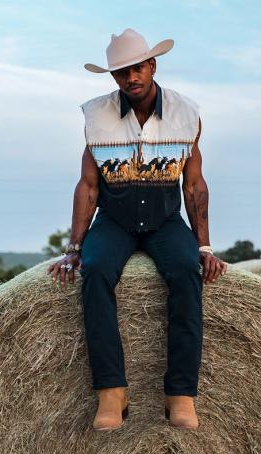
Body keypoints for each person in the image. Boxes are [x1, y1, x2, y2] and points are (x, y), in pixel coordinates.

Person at [47, 28, 227, 431]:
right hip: (115, 220)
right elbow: (89, 184)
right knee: (94, 272)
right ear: (114, 78)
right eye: (122, 73)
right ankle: (112, 393)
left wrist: (205, 247)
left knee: (185, 272)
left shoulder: (186, 114)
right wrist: (74, 246)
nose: (131, 78)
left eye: (137, 68)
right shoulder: (97, 117)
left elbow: (194, 184)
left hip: (165, 221)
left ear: (153, 65)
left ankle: (180, 394)